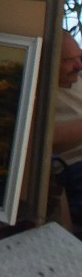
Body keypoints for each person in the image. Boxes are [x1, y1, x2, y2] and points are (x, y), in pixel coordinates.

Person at [52, 30, 82, 237]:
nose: (78, 65)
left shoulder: (77, 79)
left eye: (79, 57)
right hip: (74, 166)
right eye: (69, 60)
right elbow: (47, 138)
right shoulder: (40, 94)